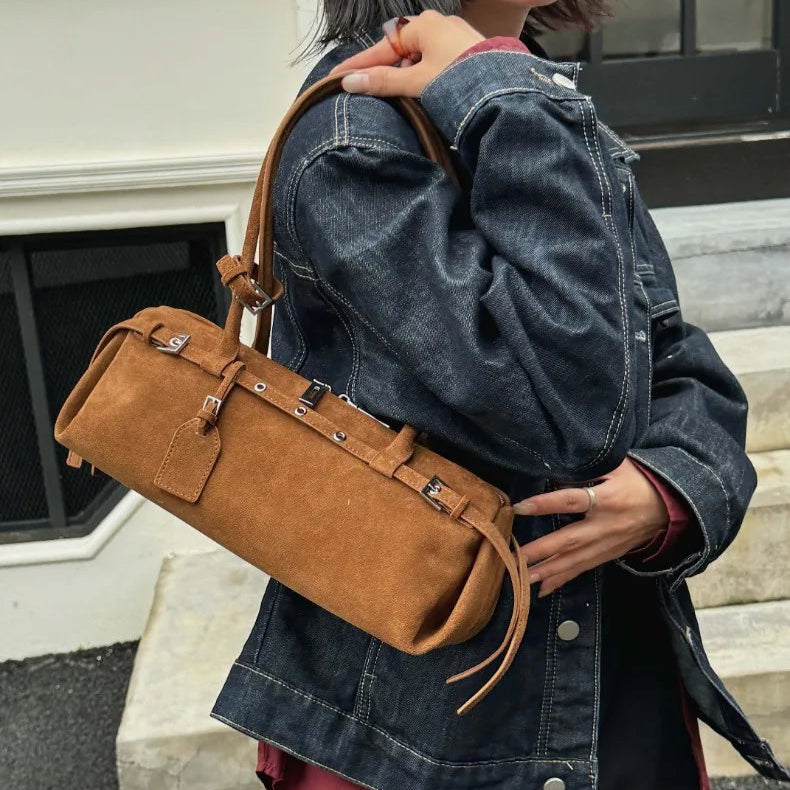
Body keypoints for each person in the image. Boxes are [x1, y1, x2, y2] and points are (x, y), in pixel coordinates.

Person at [211, 3, 790, 789]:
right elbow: (573, 406)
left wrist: (668, 492)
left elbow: (676, 363)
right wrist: (506, 93)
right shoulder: (359, 136)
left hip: (608, 671)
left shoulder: (518, 91)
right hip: (430, 726)